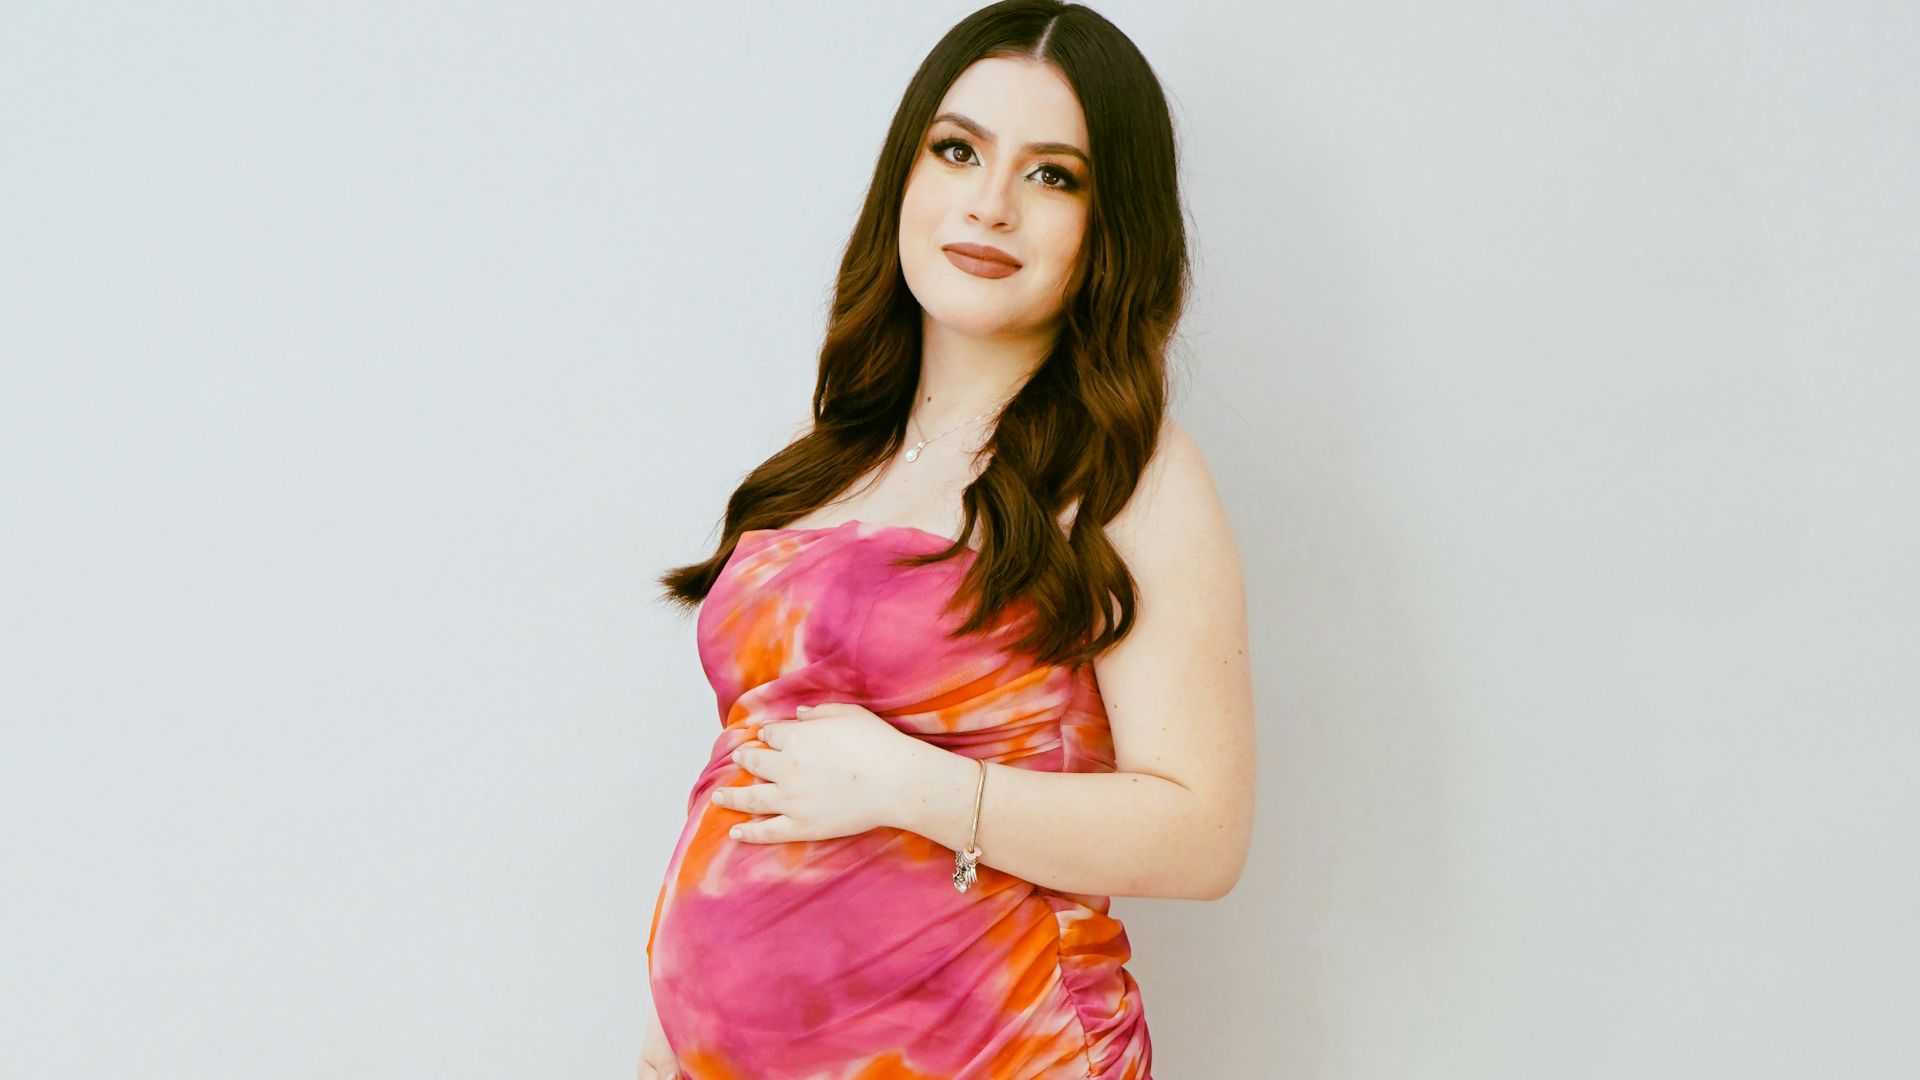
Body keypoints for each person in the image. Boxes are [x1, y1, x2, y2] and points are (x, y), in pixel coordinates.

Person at [639, 2, 1254, 1076]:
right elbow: (752, 778)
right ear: (906, 175)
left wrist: (911, 787)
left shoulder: (1127, 473)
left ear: (1110, 227)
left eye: (1052, 175)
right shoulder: (827, 461)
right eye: (959, 150)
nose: (990, 204)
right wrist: (670, 1035)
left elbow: (1204, 835)